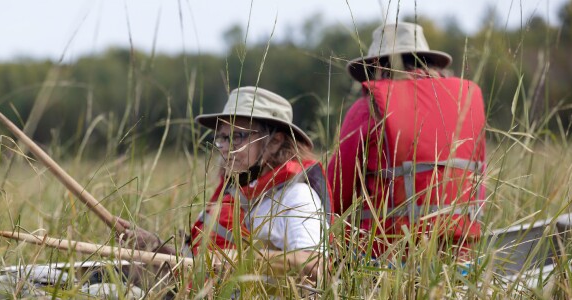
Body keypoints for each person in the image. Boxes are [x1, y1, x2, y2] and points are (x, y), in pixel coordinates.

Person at [117, 86, 332, 282]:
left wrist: (242, 258)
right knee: (104, 280)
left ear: (275, 142)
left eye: (237, 137)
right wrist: (157, 247)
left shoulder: (296, 196)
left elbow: (316, 264)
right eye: (222, 138)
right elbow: (199, 262)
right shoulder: (233, 192)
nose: (226, 149)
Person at [328, 22, 486, 258]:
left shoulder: (368, 108)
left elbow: (335, 195)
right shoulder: (468, 103)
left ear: (377, 67)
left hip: (388, 261)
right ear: (429, 62)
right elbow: (478, 181)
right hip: (460, 256)